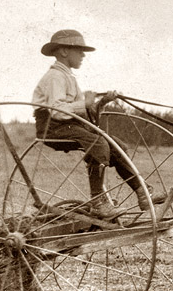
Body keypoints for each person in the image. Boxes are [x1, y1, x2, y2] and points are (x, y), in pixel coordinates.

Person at [31, 29, 163, 219]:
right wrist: (84, 103)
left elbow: (81, 113)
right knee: (98, 143)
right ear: (63, 51)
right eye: (79, 50)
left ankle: (143, 193)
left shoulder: (68, 76)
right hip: (51, 128)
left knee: (118, 147)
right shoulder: (55, 77)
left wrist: (101, 102)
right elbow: (56, 110)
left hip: (70, 126)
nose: (83, 55)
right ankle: (98, 203)